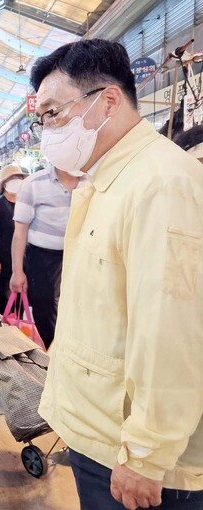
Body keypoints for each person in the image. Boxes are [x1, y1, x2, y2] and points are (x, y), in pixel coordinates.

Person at [31, 39, 203, 510]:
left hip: (134, 454)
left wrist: (147, 454)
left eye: (53, 113)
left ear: (107, 101)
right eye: (41, 118)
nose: (47, 129)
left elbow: (171, 331)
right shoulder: (109, 179)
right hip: (102, 431)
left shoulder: (160, 185)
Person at [9, 160, 87, 348]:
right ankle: (52, 357)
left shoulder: (92, 181)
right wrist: (17, 272)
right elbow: (19, 233)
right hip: (44, 260)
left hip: (82, 256)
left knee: (81, 309)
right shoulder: (33, 184)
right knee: (47, 311)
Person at [0, 163, 26, 315]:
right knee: (5, 300)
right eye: (12, 178)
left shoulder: (24, 204)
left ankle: (18, 327)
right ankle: (5, 327)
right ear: (4, 183)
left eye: (18, 177)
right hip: (3, 262)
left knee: (20, 301)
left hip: (21, 262)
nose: (16, 180)